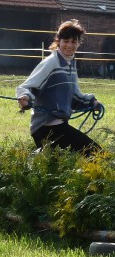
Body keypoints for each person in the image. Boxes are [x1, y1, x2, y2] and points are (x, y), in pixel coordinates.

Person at [16, 19, 101, 157]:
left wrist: (92, 102)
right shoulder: (51, 62)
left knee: (89, 156)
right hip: (46, 128)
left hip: (59, 125)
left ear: (79, 43)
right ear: (59, 41)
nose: (69, 45)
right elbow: (28, 87)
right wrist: (25, 97)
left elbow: (74, 97)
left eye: (74, 42)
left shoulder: (70, 64)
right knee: (96, 155)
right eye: (66, 41)